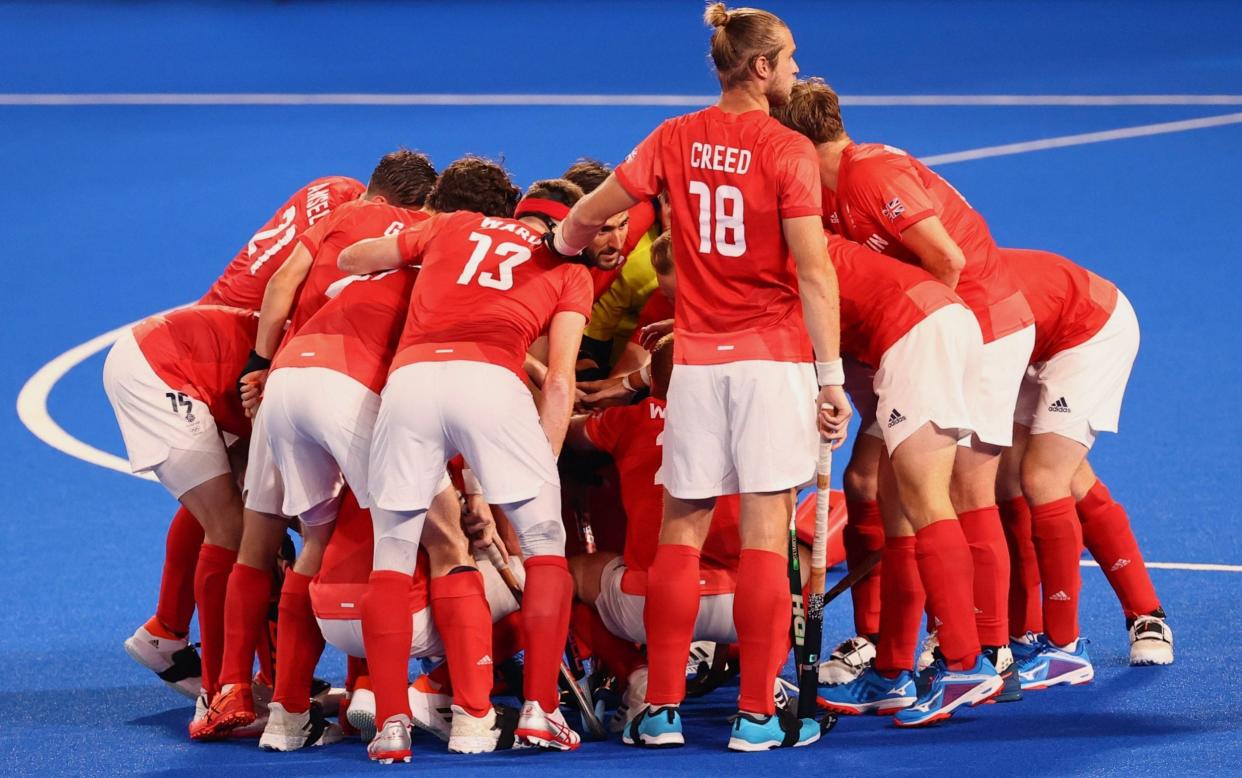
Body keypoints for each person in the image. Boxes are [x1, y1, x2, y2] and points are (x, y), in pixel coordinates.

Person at [547, 3, 850, 751]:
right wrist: (832, 376)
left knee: (678, 535)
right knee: (762, 536)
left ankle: (661, 710)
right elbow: (814, 272)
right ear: (758, 67)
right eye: (786, 59)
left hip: (695, 366)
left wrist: (562, 239)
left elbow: (593, 209)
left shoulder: (674, 136)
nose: (794, 69)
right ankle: (754, 714)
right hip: (769, 361)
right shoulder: (787, 150)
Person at [773, 76, 1035, 691]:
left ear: (797, 142)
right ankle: (895, 657)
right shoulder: (826, 192)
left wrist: (921, 335)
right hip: (920, 333)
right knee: (882, 484)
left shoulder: (868, 177)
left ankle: (982, 651)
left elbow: (947, 263)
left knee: (964, 489)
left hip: (979, 322)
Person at [338, 173, 592, 758]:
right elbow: (558, 380)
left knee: (393, 555)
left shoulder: (454, 225)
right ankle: (539, 712)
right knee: (544, 543)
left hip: (412, 381)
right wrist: (540, 469)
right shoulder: (569, 269)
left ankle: (391, 725)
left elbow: (355, 258)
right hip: (493, 382)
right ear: (564, 227)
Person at [189, 149, 437, 741]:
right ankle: (378, 698)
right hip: (352, 389)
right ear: (418, 204)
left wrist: (260, 364)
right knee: (387, 537)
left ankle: (270, 706)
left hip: (285, 386)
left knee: (275, 542)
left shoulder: (336, 218)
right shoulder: (429, 233)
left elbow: (279, 286)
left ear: (374, 191)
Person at [124, 174, 364, 698]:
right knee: (250, 523)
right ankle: (240, 685)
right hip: (251, 344)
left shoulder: (339, 190)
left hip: (221, 325)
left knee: (238, 510)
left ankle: (172, 633)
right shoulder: (359, 238)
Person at [811, 235, 1004, 725]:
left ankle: (964, 662)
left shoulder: (779, 248)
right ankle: (892, 671)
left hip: (913, 335)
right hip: (918, 333)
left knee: (925, 500)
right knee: (896, 509)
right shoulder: (789, 237)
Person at [995, 248, 1171, 681]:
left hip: (1086, 328)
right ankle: (1021, 632)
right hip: (1023, 335)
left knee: (1043, 474)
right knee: (1011, 477)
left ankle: (1068, 646)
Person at [102, 305, 259, 731]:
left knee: (256, 524)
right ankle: (218, 694)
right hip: (165, 368)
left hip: (194, 357)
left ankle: (180, 643)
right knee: (232, 527)